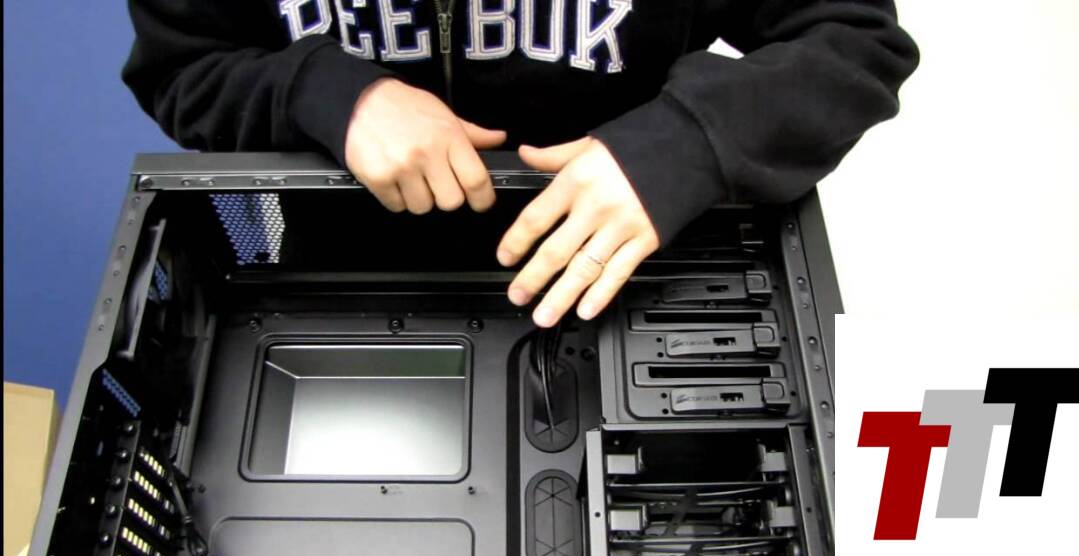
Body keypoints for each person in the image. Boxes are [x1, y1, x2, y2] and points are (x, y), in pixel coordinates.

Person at [123, 0, 918, 328]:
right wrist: (326, 92)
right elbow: (180, 65)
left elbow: (852, 39)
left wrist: (682, 141)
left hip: (623, 279)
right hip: (341, 289)